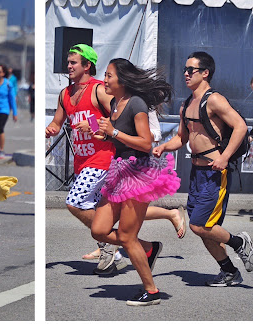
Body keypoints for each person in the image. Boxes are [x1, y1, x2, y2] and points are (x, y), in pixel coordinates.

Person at [154, 51, 253, 287]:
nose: (186, 74)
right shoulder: (186, 104)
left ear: (205, 73)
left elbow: (240, 127)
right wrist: (164, 147)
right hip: (197, 173)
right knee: (205, 228)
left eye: (192, 70)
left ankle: (240, 243)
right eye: (185, 70)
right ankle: (229, 272)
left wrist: (225, 156)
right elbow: (182, 137)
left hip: (215, 173)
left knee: (200, 225)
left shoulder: (215, 100)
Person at [89, 58, 180, 306]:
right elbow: (119, 139)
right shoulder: (116, 104)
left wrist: (114, 132)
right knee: (99, 229)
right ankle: (147, 249)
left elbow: (145, 143)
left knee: (128, 236)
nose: (104, 80)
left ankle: (151, 291)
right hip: (119, 169)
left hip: (138, 171)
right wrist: (102, 134)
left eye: (109, 76)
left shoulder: (136, 103)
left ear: (123, 79)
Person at [46, 44, 130, 273]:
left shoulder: (99, 90)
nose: (69, 66)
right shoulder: (65, 93)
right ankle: (131, 245)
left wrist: (93, 124)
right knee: (96, 207)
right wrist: (50, 129)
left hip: (104, 157)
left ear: (87, 65)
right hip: (82, 160)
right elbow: (57, 121)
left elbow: (120, 119)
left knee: (75, 202)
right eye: (68, 62)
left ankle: (108, 245)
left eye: (74, 62)